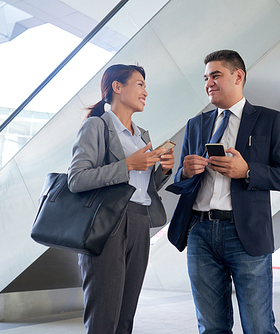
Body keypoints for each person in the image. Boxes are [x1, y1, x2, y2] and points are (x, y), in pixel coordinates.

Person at [166, 50, 280, 334]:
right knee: (211, 327)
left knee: (259, 327)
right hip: (200, 232)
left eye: (216, 75)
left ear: (238, 76)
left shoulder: (269, 120)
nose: (208, 83)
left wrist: (247, 170)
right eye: (205, 78)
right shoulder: (196, 124)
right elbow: (179, 180)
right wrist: (186, 171)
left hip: (245, 233)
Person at [67, 64, 175, 334]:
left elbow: (143, 186)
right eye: (140, 84)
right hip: (108, 224)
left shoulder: (141, 137)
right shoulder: (96, 126)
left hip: (140, 221)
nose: (145, 92)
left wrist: (163, 170)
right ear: (117, 87)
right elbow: (76, 179)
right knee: (104, 317)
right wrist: (127, 164)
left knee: (126, 316)